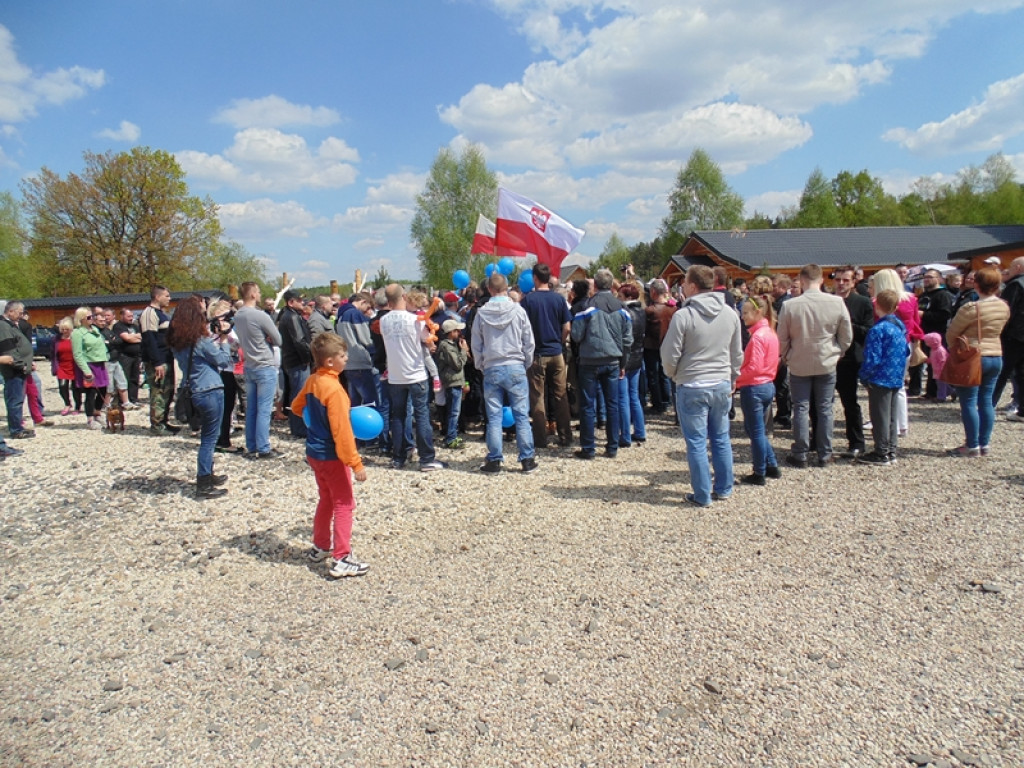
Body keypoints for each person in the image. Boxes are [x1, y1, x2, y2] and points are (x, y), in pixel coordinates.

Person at [661, 265, 743, 506]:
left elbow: (670, 354)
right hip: (720, 382)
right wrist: (732, 377)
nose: (682, 287)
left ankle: (702, 494)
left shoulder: (684, 316)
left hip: (692, 383)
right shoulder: (730, 313)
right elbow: (736, 352)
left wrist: (674, 375)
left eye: (685, 283)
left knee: (696, 442)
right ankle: (724, 488)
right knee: (721, 438)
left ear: (694, 286)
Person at [291, 333, 369, 578]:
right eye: (342, 355)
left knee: (326, 498)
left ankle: (321, 546)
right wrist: (355, 463)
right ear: (330, 362)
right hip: (332, 456)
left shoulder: (314, 380)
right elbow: (342, 432)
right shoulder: (334, 390)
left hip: (314, 452)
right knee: (344, 503)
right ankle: (342, 557)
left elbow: (296, 406)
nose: (346, 359)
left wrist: (315, 421)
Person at [776, 264, 853, 468]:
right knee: (825, 408)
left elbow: (781, 337)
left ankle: (800, 452)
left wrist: (788, 356)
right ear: (821, 280)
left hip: (799, 360)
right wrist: (837, 352)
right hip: (826, 360)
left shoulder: (790, 306)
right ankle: (824, 453)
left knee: (800, 407)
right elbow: (846, 336)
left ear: (802, 281)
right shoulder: (837, 302)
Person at [471, 273, 538, 474]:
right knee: (521, 415)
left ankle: (494, 460)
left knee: (493, 416)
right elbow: (529, 341)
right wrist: (525, 362)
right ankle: (527, 459)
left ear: (489, 290)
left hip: (492, 366)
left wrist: (481, 364)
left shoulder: (481, 314)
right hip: (515, 364)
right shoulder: (518, 311)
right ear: (507, 288)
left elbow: (476, 344)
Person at [167, 298, 231, 498]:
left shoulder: (177, 343)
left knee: (207, 436)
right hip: (211, 389)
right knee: (209, 438)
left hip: (194, 390)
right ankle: (203, 482)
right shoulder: (201, 342)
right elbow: (222, 360)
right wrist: (223, 340)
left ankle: (208, 473)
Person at [378, 283, 445, 471]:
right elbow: (426, 339)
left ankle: (398, 457)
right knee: (422, 415)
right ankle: (426, 459)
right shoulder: (415, 319)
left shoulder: (384, 321)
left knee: (398, 416)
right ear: (405, 296)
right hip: (415, 373)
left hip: (396, 375)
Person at [945, 266, 1010, 457]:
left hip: (973, 356)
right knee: (987, 401)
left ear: (977, 284)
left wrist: (954, 349)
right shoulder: (1003, 306)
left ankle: (971, 444)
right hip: (995, 354)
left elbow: (952, 333)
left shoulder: (971, 308)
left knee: (968, 401)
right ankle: (984, 443)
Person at [571, 268, 632, 459]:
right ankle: (612, 447)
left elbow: (576, 335)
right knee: (612, 404)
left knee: (588, 405)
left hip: (589, 361)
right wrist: (623, 363)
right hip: (613, 361)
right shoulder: (622, 308)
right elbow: (628, 340)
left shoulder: (587, 308)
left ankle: (588, 448)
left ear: (595, 285)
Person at [520, 262, 573, 449]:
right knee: (561, 396)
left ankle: (540, 439)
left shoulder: (527, 301)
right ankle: (566, 437)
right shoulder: (559, 299)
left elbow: (522, 330)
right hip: (556, 353)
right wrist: (559, 342)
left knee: (537, 398)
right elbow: (567, 327)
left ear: (534, 278)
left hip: (537, 354)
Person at [856, 290, 910, 466]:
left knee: (880, 416)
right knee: (892, 415)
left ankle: (881, 452)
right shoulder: (900, 326)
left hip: (880, 377)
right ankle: (891, 449)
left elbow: (873, 357)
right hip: (895, 375)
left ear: (876, 305)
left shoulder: (878, 329)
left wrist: (864, 375)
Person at [234, 281, 284, 459]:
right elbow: (278, 339)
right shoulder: (260, 315)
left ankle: (251, 445)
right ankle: (263, 447)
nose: (261, 295)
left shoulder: (238, 315)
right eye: (259, 292)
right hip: (264, 364)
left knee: (252, 409)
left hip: (249, 364)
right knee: (264, 409)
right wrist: (268, 337)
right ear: (253, 294)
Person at [734, 294, 781, 485]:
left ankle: (759, 471)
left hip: (754, 386)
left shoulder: (758, 337)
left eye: (745, 312)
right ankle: (771, 465)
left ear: (758, 312)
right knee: (757, 430)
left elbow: (754, 367)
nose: (742, 316)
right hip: (767, 385)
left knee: (755, 431)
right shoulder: (770, 332)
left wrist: (735, 378)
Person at [871, 269, 923, 437]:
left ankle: (884, 422)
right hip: (904, 344)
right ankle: (902, 424)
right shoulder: (912, 299)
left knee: (882, 388)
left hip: (884, 347)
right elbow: (916, 324)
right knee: (899, 386)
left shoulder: (877, 302)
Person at [832, 266, 874, 458]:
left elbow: (867, 331)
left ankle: (856, 442)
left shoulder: (862, 302)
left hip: (850, 359)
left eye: (845, 280)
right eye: (838, 279)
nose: (841, 284)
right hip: (827, 357)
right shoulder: (827, 300)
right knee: (820, 403)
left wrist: (846, 323)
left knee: (850, 402)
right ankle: (818, 441)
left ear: (853, 282)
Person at [206, 300, 244, 455]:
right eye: (227, 314)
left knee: (227, 406)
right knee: (224, 406)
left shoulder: (221, 328)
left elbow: (236, 343)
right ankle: (223, 441)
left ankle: (221, 437)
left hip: (228, 368)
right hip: (221, 369)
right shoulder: (213, 330)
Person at [139, 285, 179, 434]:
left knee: (167, 391)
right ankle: (156, 425)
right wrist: (157, 363)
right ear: (157, 297)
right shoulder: (149, 313)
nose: (169, 299)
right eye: (167, 296)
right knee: (158, 392)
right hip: (158, 361)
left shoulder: (161, 314)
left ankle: (164, 421)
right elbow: (150, 339)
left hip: (166, 358)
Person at [992, 256, 1024, 421]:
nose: (1009, 270)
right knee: (1021, 373)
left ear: (1018, 267)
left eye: (1011, 267)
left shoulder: (1016, 284)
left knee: (1001, 372)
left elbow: (1005, 310)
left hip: (1013, 335)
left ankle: (987, 407)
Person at [277, 289, 313, 438]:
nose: (302, 303)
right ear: (291, 302)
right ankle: (299, 428)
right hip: (297, 361)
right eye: (299, 300)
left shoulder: (290, 316)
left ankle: (297, 426)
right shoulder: (291, 317)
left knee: (296, 393)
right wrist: (308, 356)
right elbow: (299, 340)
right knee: (299, 394)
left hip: (292, 360)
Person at [914, 269, 954, 398]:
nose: (926, 279)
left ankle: (943, 391)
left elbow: (945, 314)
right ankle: (929, 391)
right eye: (925, 277)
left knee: (938, 365)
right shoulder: (923, 295)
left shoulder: (943, 295)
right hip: (923, 334)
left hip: (937, 335)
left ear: (939, 279)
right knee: (926, 363)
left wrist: (924, 314)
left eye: (930, 277)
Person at [69, 306, 110, 431]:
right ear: (81, 319)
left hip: (99, 363)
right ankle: (90, 419)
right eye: (88, 317)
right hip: (88, 365)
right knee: (90, 393)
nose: (92, 318)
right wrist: (86, 371)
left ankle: (97, 412)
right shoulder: (77, 333)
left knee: (103, 390)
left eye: (92, 316)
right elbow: (77, 354)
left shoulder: (95, 330)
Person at [616, 283, 646, 447]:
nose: (617, 299)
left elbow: (624, 340)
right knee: (634, 396)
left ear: (627, 297)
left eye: (620, 296)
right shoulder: (642, 311)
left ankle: (625, 436)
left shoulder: (624, 313)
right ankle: (640, 431)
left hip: (625, 358)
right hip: (637, 357)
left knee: (623, 398)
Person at [0, 301, 36, 438]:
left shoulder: (10, 325)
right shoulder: (4, 326)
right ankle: (16, 430)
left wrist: (28, 362)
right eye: (20, 313)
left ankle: (18, 426)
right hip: (14, 371)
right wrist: (22, 365)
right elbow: (9, 350)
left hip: (20, 369)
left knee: (18, 399)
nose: (22, 316)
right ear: (10, 312)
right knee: (14, 400)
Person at [643, 279, 676, 415]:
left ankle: (657, 403)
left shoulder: (649, 311)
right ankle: (667, 401)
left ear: (654, 292)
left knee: (653, 375)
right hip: (668, 345)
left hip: (652, 346)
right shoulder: (674, 309)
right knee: (665, 374)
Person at [435, 318, 469, 449]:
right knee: (454, 412)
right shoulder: (447, 346)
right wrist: (464, 350)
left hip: (454, 381)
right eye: (456, 330)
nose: (459, 332)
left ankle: (451, 435)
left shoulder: (449, 345)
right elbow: (458, 364)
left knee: (453, 411)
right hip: (453, 381)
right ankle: (451, 438)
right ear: (451, 332)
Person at [112, 307, 143, 407]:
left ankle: (134, 399)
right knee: (125, 378)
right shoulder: (118, 326)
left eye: (132, 316)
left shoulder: (134, 326)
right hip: (125, 356)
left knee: (135, 378)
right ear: (122, 316)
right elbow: (127, 338)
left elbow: (141, 337)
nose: (131, 318)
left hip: (136, 356)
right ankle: (123, 401)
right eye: (128, 316)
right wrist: (134, 337)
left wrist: (134, 338)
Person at [51, 317, 81, 415]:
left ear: (71, 329)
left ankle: (78, 406)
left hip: (74, 365)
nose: (64, 331)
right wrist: (54, 365)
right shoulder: (56, 339)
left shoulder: (75, 337)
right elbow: (53, 353)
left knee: (75, 388)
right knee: (62, 386)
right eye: (62, 329)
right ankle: (67, 404)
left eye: (66, 329)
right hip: (62, 366)